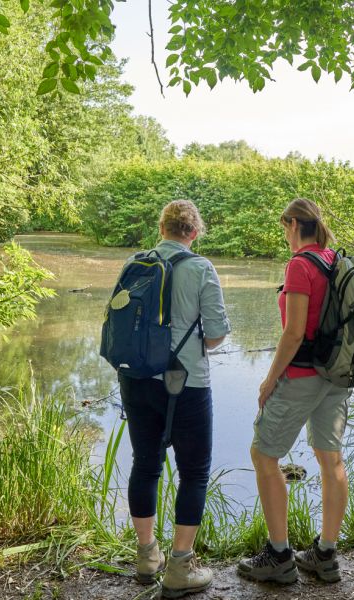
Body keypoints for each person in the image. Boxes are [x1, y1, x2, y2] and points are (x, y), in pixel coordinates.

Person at [118, 200, 231, 599]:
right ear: (193, 234)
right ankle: (180, 567)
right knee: (194, 472)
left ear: (161, 228)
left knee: (145, 465)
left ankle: (147, 557)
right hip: (188, 383)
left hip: (135, 376)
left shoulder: (135, 263)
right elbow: (216, 334)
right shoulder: (200, 268)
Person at [237, 198, 351, 584]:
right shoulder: (334, 259)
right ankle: (325, 555)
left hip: (302, 375)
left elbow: (294, 331)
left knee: (263, 454)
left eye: (284, 227)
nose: (284, 234)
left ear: (291, 223)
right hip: (335, 375)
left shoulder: (301, 265)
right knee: (330, 458)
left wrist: (270, 380)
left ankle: (279, 557)